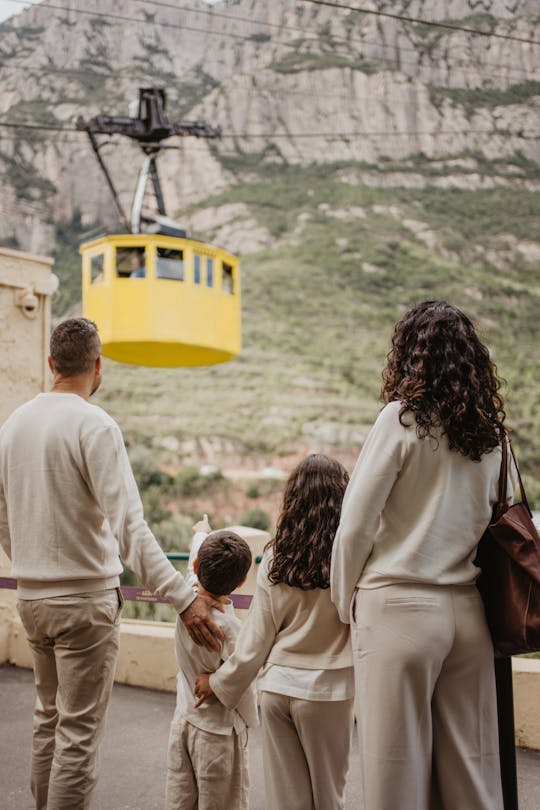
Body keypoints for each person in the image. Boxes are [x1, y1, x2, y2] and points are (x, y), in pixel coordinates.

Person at [0, 317, 223, 810]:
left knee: (47, 720)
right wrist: (184, 600)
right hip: (84, 605)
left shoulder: (11, 426)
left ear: (52, 363)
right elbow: (130, 527)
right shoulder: (95, 424)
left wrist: (32, 563)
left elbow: (2, 517)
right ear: (97, 365)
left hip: (32, 600)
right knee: (77, 735)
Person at [331, 300, 514, 810]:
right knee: (473, 778)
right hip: (468, 616)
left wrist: (343, 601)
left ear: (409, 353)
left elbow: (355, 525)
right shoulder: (493, 437)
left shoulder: (400, 419)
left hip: (397, 609)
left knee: (396, 780)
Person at [195, 454, 354, 810]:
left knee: (288, 802)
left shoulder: (276, 558)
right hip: (327, 692)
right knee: (328, 799)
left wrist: (218, 683)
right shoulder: (350, 558)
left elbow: (255, 642)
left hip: (278, 691)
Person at [166, 529, 258, 810]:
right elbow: (243, 678)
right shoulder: (231, 630)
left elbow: (196, 557)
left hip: (183, 720)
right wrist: (248, 721)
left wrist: (199, 533)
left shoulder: (185, 602)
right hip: (218, 734)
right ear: (242, 581)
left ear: (195, 567)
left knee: (181, 798)